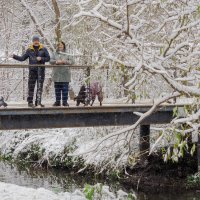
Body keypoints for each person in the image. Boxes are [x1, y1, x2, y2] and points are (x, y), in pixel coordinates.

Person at [13, 35, 50, 107]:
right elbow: (22, 58)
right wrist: (14, 56)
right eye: (34, 40)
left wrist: (41, 58)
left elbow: (48, 58)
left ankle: (38, 102)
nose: (36, 41)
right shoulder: (29, 50)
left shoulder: (44, 49)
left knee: (40, 87)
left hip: (41, 71)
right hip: (32, 71)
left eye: (37, 40)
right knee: (31, 86)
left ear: (39, 41)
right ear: (33, 41)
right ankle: (30, 102)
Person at [50, 41, 74, 107]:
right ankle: (57, 102)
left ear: (64, 46)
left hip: (65, 74)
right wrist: (56, 61)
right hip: (56, 74)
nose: (60, 46)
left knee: (65, 89)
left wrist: (65, 61)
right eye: (59, 45)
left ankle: (65, 102)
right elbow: (50, 61)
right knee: (57, 89)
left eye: (61, 45)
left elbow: (72, 61)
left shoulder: (67, 54)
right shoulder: (54, 53)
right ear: (57, 46)